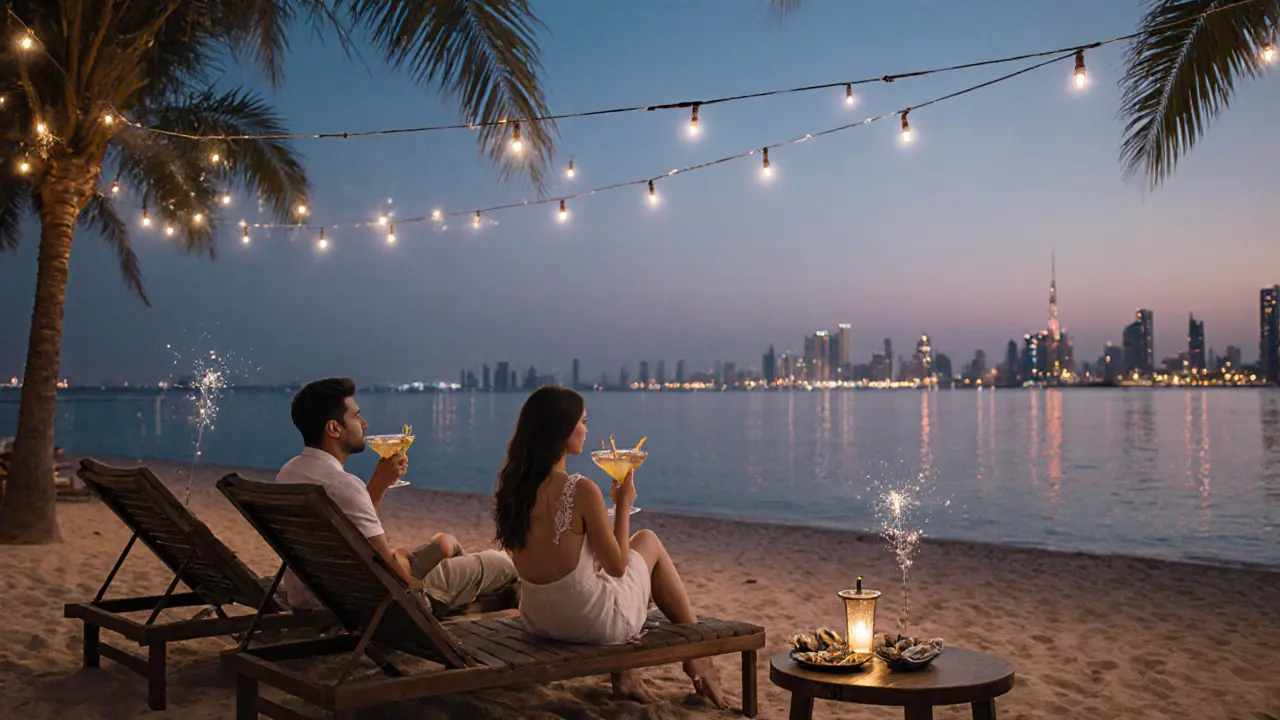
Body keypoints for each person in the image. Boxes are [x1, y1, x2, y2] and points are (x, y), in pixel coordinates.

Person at [493, 386, 727, 707]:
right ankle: (699, 659)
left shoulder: (512, 491)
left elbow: (574, 562)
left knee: (624, 564)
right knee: (648, 541)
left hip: (539, 619)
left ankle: (629, 675)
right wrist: (623, 504)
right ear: (562, 429)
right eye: (582, 421)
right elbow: (617, 567)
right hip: (589, 621)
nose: (586, 430)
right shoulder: (580, 489)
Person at [277, 378, 516, 614]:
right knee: (502, 562)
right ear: (333, 428)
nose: (365, 424)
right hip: (378, 602)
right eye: (356, 417)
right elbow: (395, 576)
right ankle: (486, 599)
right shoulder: (342, 485)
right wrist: (397, 557)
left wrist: (379, 484)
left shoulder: (290, 472)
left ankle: (478, 598)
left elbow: (352, 533)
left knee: (447, 543)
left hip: (318, 593)